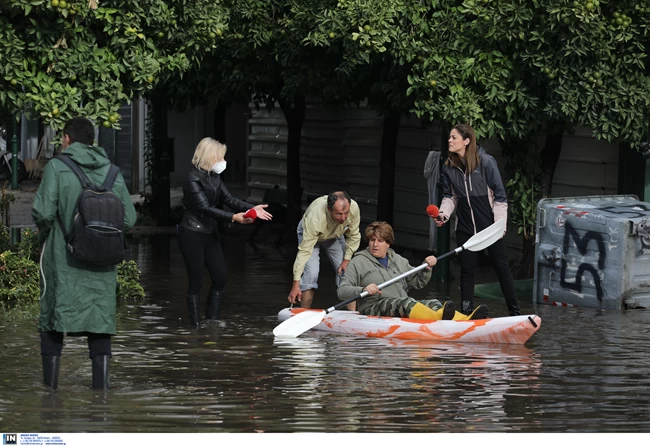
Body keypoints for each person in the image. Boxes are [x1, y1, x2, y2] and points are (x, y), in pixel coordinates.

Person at [32, 116, 137, 390]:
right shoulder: (112, 172)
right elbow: (129, 220)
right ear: (93, 141)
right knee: (100, 322)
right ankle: (101, 398)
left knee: (54, 319)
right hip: (103, 264)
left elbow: (42, 213)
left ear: (66, 139)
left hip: (63, 259)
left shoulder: (57, 167)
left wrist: (48, 237)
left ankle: (50, 395)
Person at [179, 137, 272, 326]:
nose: (223, 161)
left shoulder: (215, 177)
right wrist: (233, 218)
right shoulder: (192, 179)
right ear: (210, 156)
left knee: (220, 277)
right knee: (196, 280)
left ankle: (212, 322)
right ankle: (195, 327)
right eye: (220, 157)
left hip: (211, 232)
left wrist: (252, 209)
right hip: (192, 232)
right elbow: (204, 208)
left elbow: (229, 199)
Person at [435, 123, 521, 316]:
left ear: (466, 141)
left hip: (489, 227)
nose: (449, 140)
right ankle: (466, 313)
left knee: (501, 267)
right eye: (449, 137)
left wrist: (500, 226)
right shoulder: (449, 166)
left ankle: (515, 313)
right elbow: (450, 197)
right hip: (465, 227)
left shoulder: (486, 162)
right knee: (466, 270)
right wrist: (443, 214)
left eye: (454, 137)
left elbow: (500, 197)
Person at [337, 221, 488, 320]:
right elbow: (342, 291)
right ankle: (440, 320)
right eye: (372, 240)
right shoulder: (358, 261)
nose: (375, 244)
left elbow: (418, 283)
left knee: (434, 302)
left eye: (380, 241)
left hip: (401, 306)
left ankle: (467, 320)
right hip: (372, 309)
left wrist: (426, 268)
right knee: (407, 303)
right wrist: (363, 289)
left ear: (388, 244)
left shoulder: (398, 260)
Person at [287, 191, 360, 310]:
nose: (343, 218)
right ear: (329, 209)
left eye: (346, 213)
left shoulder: (354, 208)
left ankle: (353, 316)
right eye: (339, 214)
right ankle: (304, 312)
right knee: (312, 273)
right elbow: (304, 252)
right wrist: (296, 284)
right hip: (311, 237)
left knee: (347, 272)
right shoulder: (315, 218)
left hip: (335, 235)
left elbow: (354, 236)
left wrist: (346, 260)